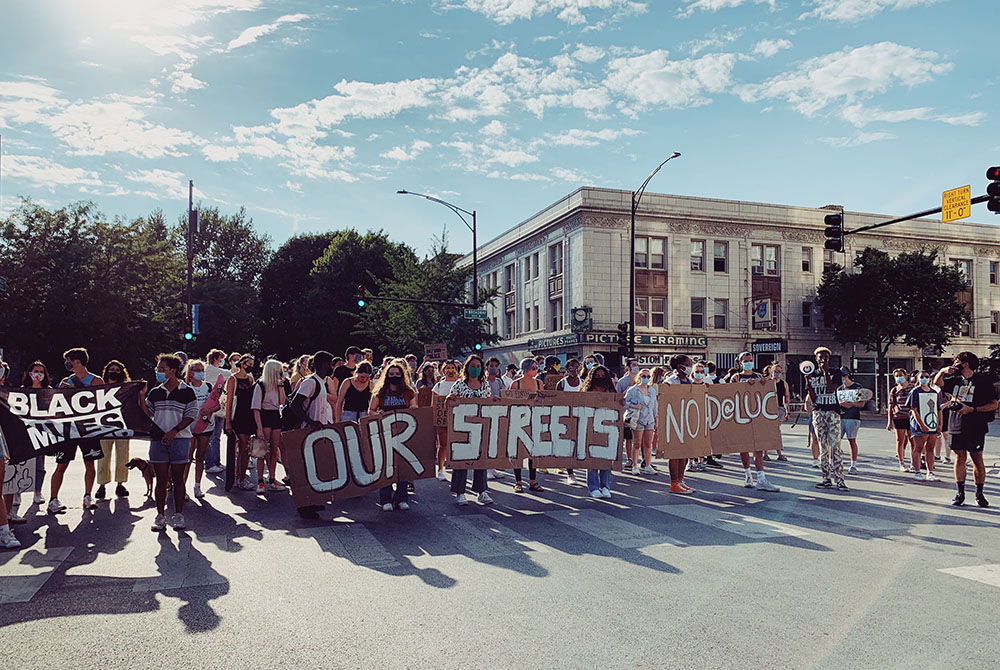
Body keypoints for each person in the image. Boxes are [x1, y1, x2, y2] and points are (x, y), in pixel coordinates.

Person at [141, 353, 199, 531]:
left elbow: (191, 415)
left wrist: (174, 431)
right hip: (158, 441)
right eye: (158, 369)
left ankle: (179, 515)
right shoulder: (156, 392)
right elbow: (147, 414)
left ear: (173, 371)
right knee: (161, 479)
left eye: (162, 369)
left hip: (180, 440)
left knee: (178, 478)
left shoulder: (187, 391)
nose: (158, 372)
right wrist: (141, 396)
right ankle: (160, 515)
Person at [933, 352, 998, 507]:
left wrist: (973, 409)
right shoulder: (955, 380)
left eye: (957, 361)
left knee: (977, 458)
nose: (955, 363)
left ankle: (979, 493)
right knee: (959, 457)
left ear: (966, 363)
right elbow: (937, 383)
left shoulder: (982, 381)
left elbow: (994, 404)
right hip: (956, 423)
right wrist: (942, 371)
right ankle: (960, 493)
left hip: (976, 424)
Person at [49, 348, 105, 513]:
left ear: (78, 361)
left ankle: (88, 496)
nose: (67, 364)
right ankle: (53, 499)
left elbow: (101, 404)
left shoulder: (96, 380)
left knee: (90, 462)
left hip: (88, 428)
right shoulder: (67, 380)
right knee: (61, 464)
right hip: (69, 429)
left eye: (69, 360)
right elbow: (57, 405)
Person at [287, 351, 334, 519]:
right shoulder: (310, 382)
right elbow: (295, 405)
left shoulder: (321, 382)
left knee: (314, 467)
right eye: (329, 364)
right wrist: (311, 421)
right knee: (307, 468)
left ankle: (312, 500)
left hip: (317, 431)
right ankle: (304, 506)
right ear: (322, 364)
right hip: (308, 430)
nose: (332, 367)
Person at [368, 358, 416, 511]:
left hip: (404, 434)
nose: (394, 375)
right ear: (386, 375)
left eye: (397, 373)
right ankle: (385, 499)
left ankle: (401, 498)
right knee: (386, 466)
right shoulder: (380, 392)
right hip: (385, 433)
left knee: (403, 467)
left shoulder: (408, 392)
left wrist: (413, 409)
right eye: (391, 373)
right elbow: (370, 410)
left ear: (402, 375)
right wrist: (377, 413)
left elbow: (415, 406)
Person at [446, 354, 495, 506]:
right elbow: (449, 402)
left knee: (481, 459)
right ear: (467, 368)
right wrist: (451, 399)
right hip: (462, 428)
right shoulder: (459, 385)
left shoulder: (485, 385)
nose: (475, 369)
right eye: (472, 366)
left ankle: (482, 491)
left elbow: (488, 402)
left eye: (478, 366)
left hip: (480, 428)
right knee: (462, 460)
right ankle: (460, 493)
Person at [732, 352, 780, 492]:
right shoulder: (736, 377)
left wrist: (764, 383)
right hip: (741, 415)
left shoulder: (759, 377)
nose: (749, 362)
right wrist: (744, 386)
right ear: (740, 363)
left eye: (750, 360)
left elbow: (768, 393)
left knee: (758, 447)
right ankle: (747, 474)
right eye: (746, 360)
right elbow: (729, 394)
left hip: (757, 415)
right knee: (744, 447)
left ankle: (761, 478)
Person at [805, 348, 847, 491]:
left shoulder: (836, 372)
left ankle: (840, 479)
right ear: (816, 358)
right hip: (819, 412)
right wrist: (809, 383)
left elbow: (831, 389)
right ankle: (826, 478)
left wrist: (826, 372)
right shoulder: (812, 374)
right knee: (823, 447)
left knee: (835, 446)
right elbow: (813, 397)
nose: (823, 359)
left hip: (832, 412)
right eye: (821, 357)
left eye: (826, 357)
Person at [93, 360, 132, 501]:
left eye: (117, 369)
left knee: (123, 456)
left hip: (122, 426)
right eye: (112, 369)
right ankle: (102, 485)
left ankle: (120, 484)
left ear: (122, 372)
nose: (114, 372)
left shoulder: (127, 388)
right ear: (106, 371)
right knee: (103, 456)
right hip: (103, 426)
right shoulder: (99, 387)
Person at [180, 359, 215, 499]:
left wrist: (209, 410)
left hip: (206, 426)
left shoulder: (208, 386)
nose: (200, 373)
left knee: (200, 456)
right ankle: (182, 487)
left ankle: (197, 486)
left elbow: (218, 405)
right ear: (191, 372)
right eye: (197, 370)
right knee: (187, 458)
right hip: (189, 427)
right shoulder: (185, 387)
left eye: (202, 370)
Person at [251, 359, 287, 493]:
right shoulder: (260, 385)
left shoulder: (278, 386)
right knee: (262, 450)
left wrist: (281, 386)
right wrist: (259, 428)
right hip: (264, 416)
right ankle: (260, 481)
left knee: (274, 450)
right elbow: (255, 408)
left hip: (275, 416)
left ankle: (272, 478)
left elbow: (282, 402)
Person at [510, 358, 544, 493]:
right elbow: (509, 402)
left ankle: (533, 480)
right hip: (518, 420)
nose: (536, 370)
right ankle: (518, 481)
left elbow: (543, 401)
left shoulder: (539, 383)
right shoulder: (515, 384)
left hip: (534, 419)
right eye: (533, 367)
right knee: (518, 452)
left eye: (537, 367)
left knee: (533, 452)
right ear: (526, 368)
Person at [662, 356, 695, 494]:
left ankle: (681, 480)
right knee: (675, 453)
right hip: (673, 420)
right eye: (688, 364)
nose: (690, 366)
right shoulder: (671, 382)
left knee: (684, 452)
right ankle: (673, 482)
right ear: (680, 366)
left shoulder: (689, 381)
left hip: (686, 420)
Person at [582, 365, 616, 498]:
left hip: (608, 428)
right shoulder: (587, 391)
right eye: (597, 376)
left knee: (607, 458)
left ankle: (606, 486)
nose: (600, 378)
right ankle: (593, 487)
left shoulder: (611, 391)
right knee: (592, 459)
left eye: (603, 376)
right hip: (591, 427)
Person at [20, 361, 51, 506]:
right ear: (29, 373)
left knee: (39, 464)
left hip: (41, 432)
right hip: (23, 432)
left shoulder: (49, 391)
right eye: (35, 371)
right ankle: (16, 493)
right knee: (21, 463)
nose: (38, 374)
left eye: (41, 371)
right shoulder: (21, 391)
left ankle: (37, 492)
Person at [225, 354, 256, 491]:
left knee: (246, 448)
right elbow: (229, 402)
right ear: (242, 364)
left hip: (248, 415)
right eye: (249, 363)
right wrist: (227, 422)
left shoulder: (250, 379)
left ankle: (241, 476)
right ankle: (239, 478)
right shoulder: (233, 379)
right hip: (237, 415)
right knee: (242, 446)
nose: (251, 366)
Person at [906, 371, 942, 483]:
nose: (925, 379)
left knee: (930, 448)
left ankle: (930, 472)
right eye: (922, 377)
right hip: (919, 425)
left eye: (927, 377)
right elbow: (914, 410)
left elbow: (938, 409)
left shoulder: (934, 392)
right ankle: (917, 471)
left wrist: (940, 424)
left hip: (933, 425)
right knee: (919, 447)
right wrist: (922, 425)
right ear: (918, 379)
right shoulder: (915, 392)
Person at [624, 368, 658, 477]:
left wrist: (656, 419)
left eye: (648, 376)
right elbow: (623, 402)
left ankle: (648, 464)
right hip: (638, 419)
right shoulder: (633, 390)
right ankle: (634, 465)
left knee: (648, 444)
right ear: (639, 377)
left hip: (650, 419)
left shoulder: (652, 390)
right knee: (637, 443)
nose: (646, 378)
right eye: (643, 376)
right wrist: (634, 406)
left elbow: (655, 407)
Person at [554, 358, 583, 486]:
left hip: (580, 418)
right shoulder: (562, 384)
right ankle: (570, 473)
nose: (575, 370)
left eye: (577, 367)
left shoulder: (583, 383)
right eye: (572, 367)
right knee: (568, 446)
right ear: (567, 370)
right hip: (565, 419)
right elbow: (556, 402)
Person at [431, 360, 461, 480]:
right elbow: (434, 403)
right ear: (443, 371)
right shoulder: (439, 385)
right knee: (443, 445)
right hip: (442, 420)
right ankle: (441, 469)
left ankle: (455, 466)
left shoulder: (460, 384)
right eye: (447, 367)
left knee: (457, 444)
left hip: (457, 419)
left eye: (452, 367)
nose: (450, 370)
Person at [202, 349, 230, 475]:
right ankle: (210, 462)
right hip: (211, 406)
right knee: (212, 437)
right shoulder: (210, 369)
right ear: (216, 358)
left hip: (218, 407)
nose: (222, 360)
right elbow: (228, 373)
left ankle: (215, 461)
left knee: (215, 437)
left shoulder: (214, 370)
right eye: (221, 358)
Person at [837, 367, 864, 474]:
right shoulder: (839, 389)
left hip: (853, 417)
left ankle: (853, 465)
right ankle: (834, 462)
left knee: (851, 440)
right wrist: (840, 404)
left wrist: (851, 404)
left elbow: (862, 403)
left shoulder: (857, 387)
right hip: (840, 416)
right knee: (835, 441)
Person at [888, 368, 914, 472]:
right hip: (898, 417)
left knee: (913, 441)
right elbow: (891, 406)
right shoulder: (894, 390)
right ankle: (901, 463)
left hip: (911, 417)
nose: (899, 377)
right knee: (900, 440)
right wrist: (889, 421)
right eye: (897, 376)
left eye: (900, 375)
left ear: (906, 376)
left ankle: (914, 462)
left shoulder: (912, 388)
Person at [617, 358, 639, 469]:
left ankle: (644, 460)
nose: (636, 367)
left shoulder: (640, 379)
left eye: (637, 364)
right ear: (628, 367)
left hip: (640, 413)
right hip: (627, 414)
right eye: (634, 365)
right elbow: (618, 397)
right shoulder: (622, 381)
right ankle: (630, 459)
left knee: (640, 437)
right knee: (628, 438)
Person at [768, 362, 789, 461]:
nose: (777, 373)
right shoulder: (767, 382)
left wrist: (787, 411)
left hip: (779, 408)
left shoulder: (783, 383)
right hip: (768, 409)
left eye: (779, 371)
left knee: (776, 431)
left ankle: (779, 453)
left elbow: (787, 397)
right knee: (766, 431)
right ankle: (765, 453)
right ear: (771, 371)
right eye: (775, 371)